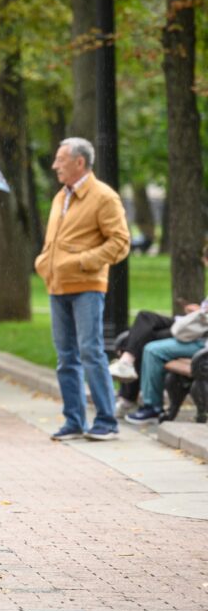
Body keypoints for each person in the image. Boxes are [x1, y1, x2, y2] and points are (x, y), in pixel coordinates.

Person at [35, 137, 130, 441]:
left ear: (79, 162)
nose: (54, 166)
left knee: (91, 352)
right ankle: (74, 420)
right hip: (57, 286)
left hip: (87, 285)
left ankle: (106, 420)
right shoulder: (60, 196)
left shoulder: (103, 196)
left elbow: (120, 242)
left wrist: (81, 262)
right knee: (66, 356)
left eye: (60, 160)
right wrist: (44, 262)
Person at [113, 244, 208, 417]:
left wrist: (202, 314)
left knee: (149, 347)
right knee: (143, 322)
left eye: (205, 258)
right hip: (190, 328)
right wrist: (200, 310)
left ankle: (148, 404)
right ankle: (127, 381)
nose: (203, 261)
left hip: (200, 337)